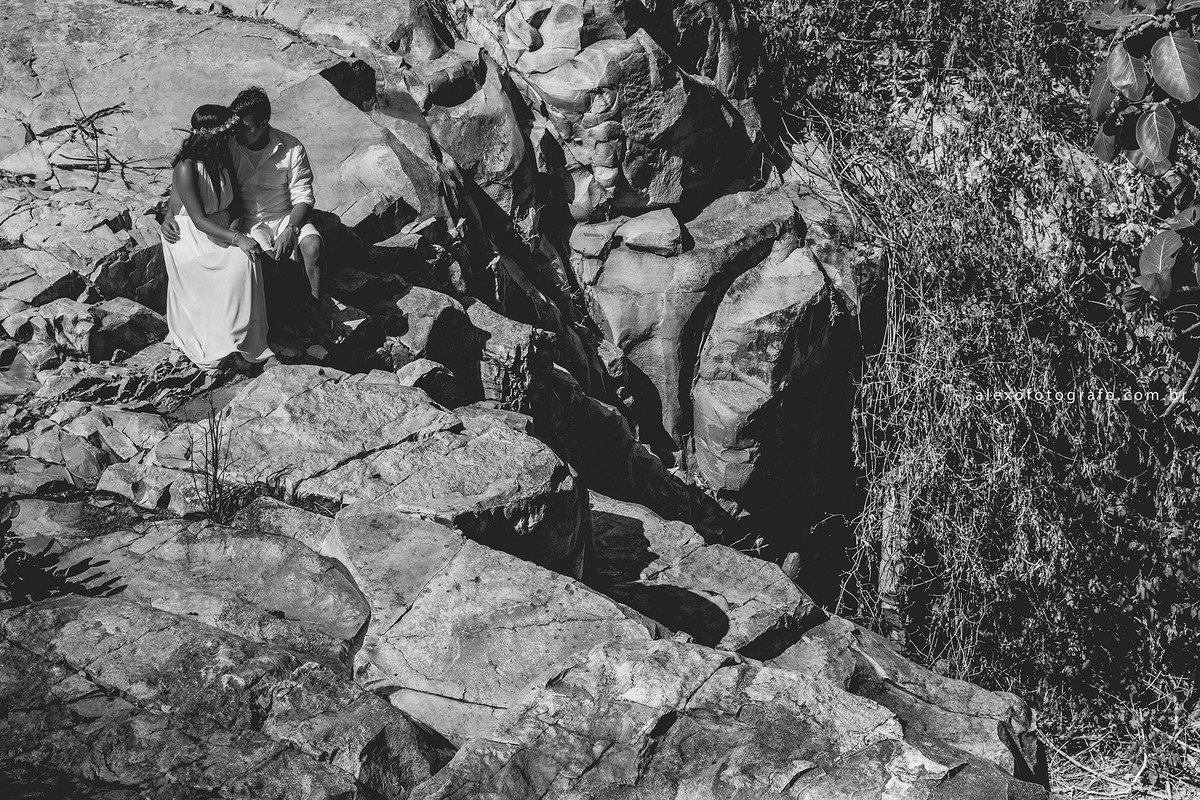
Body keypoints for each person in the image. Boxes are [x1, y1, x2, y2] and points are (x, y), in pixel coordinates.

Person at [163, 87, 327, 334]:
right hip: (248, 221)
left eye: (244, 127)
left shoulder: (291, 147)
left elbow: (304, 196)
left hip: (284, 216)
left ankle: (316, 307)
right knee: (268, 263)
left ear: (263, 124)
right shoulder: (228, 145)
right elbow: (186, 182)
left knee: (313, 245)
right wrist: (169, 214)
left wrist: (292, 229)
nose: (236, 132)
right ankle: (280, 317)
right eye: (234, 127)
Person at [162, 105, 272, 372]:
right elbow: (198, 219)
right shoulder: (186, 167)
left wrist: (236, 232)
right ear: (212, 134)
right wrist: (236, 239)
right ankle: (231, 342)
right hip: (193, 238)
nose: (231, 136)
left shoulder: (223, 162)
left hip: (221, 229)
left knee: (247, 257)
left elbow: (234, 207)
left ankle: (247, 340)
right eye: (226, 132)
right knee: (240, 259)